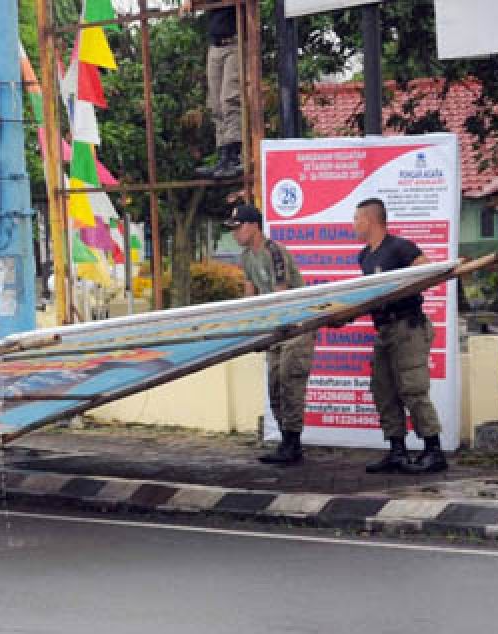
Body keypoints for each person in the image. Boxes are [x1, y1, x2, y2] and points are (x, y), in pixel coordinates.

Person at [354, 198, 447, 475]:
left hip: (408, 328)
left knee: (412, 388)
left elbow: (428, 273)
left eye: (357, 219)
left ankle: (434, 450)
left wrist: (399, 288)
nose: (354, 225)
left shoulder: (400, 247)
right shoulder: (365, 256)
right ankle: (397, 451)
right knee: (383, 389)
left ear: (369, 220)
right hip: (383, 330)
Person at [224, 204, 316, 465]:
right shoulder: (246, 257)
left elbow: (281, 295)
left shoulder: (274, 252)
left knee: (290, 383)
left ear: (253, 226)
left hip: (296, 326)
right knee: (274, 386)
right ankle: (285, 443)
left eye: (238, 227)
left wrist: (271, 327)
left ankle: (293, 444)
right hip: (275, 330)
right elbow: (250, 297)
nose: (235, 234)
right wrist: (250, 330)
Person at [181, 1, 242, 179]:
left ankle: (235, 155)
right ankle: (223, 156)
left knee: (229, 98)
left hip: (235, 42)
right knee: (215, 104)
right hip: (216, 45)